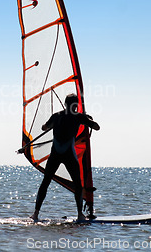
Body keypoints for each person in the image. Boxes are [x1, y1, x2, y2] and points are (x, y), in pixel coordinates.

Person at [30, 93, 100, 222]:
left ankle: (35, 214)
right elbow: (97, 127)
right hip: (69, 155)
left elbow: (44, 127)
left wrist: (51, 125)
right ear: (76, 105)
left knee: (45, 182)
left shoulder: (56, 116)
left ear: (65, 103)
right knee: (78, 185)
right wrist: (88, 119)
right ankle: (80, 214)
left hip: (55, 155)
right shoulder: (78, 117)